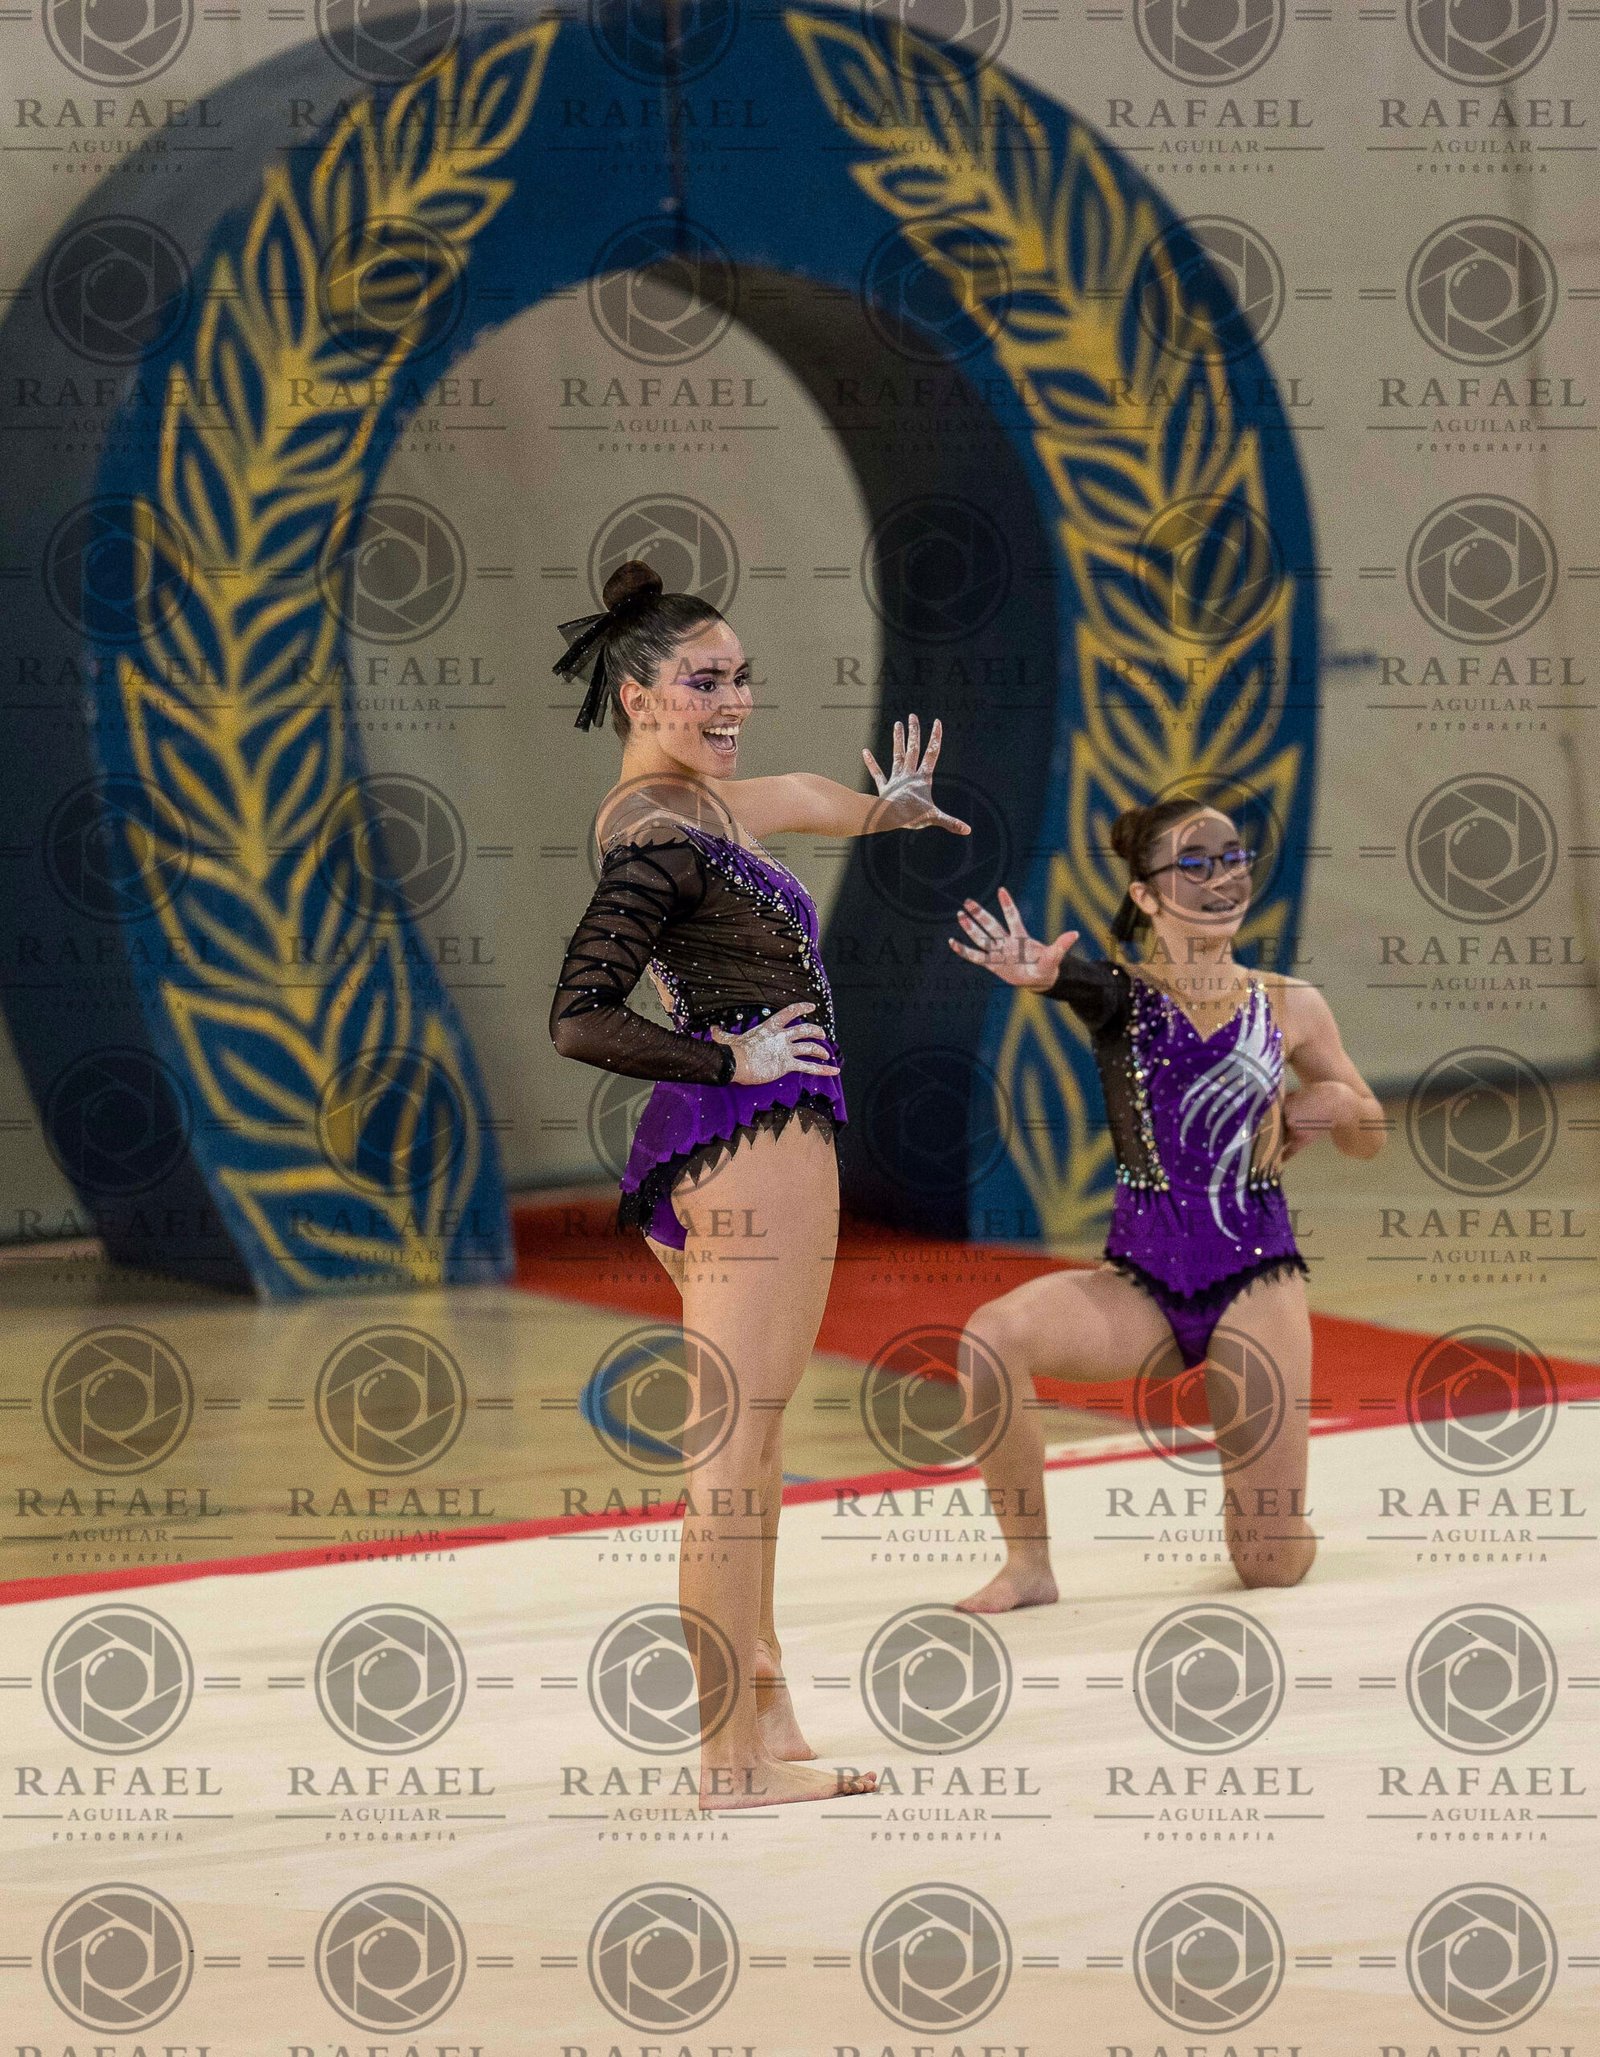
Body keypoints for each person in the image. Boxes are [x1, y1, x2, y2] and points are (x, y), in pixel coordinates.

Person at [549, 560, 970, 1808]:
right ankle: (727, 1757)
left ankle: (765, 1708)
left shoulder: (701, 805)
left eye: (740, 676)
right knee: (732, 1452)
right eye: (703, 681)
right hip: (750, 1134)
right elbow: (579, 1013)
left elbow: (803, 798)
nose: (733, 699)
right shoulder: (656, 834)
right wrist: (728, 1056)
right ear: (638, 696)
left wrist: (886, 811)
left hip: (726, 1140)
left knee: (754, 1438)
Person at [946, 794, 1385, 1609]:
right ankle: (1029, 1563)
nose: (1222, 877)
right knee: (991, 1335)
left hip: (1255, 1282)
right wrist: (1041, 970)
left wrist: (1334, 1104)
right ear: (1145, 894)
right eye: (1195, 863)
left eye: (1232, 858)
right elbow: (1083, 984)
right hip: (1141, 1285)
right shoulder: (1126, 996)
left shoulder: (1290, 1004)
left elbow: (1370, 1135)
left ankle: (1287, 1523)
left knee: (1266, 1562)